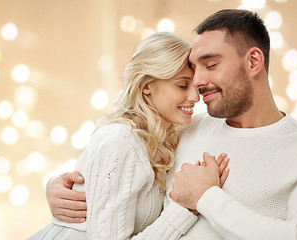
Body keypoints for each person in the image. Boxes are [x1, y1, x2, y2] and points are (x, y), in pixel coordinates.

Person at [46, 9, 297, 240]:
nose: (197, 83)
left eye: (210, 65)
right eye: (193, 70)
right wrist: (68, 191)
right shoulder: (185, 128)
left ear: (252, 62)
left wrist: (207, 199)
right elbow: (118, 175)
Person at [28, 32, 229, 240]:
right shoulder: (120, 141)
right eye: (181, 85)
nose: (195, 97)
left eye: (195, 86)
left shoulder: (164, 140)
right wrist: (186, 208)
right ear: (147, 86)